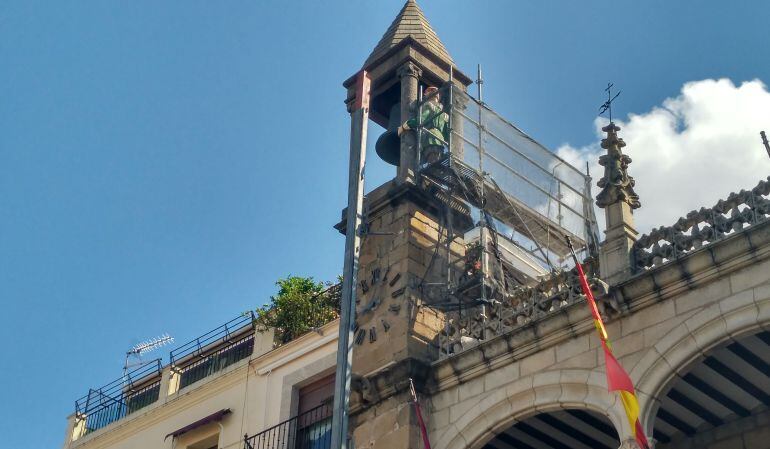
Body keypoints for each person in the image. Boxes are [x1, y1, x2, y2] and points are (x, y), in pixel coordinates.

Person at [397, 86, 449, 164]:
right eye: (431, 90)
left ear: (425, 95)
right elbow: (446, 134)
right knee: (436, 162)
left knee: (432, 163)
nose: (433, 92)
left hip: (429, 138)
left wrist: (404, 126)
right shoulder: (445, 115)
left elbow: (420, 121)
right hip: (440, 141)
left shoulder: (428, 105)